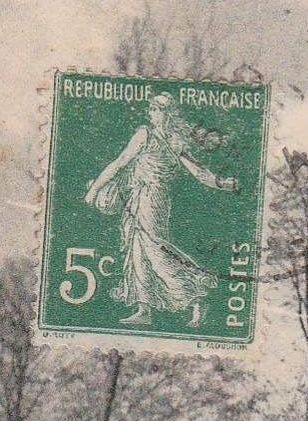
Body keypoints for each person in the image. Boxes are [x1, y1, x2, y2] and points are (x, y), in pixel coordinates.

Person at [84, 92, 240, 329]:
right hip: (137, 195)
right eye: (152, 110)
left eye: (158, 110)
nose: (153, 114)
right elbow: (121, 162)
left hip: (153, 198)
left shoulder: (173, 141)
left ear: (169, 114)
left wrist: (219, 183)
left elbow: (197, 171)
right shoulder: (144, 134)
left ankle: (195, 298)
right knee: (137, 250)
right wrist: (95, 189)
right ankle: (143, 308)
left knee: (155, 250)